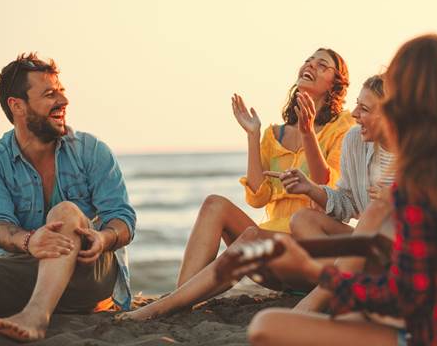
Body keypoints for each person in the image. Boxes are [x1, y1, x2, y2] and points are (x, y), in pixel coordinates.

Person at [246, 34, 437, 345]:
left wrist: (312, 270)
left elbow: (401, 298)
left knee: (266, 326)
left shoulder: (416, 185)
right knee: (352, 316)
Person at [118, 48, 354, 321]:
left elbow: (326, 185)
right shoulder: (274, 134)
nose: (311, 65)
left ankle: (165, 307)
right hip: (270, 254)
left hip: (307, 255)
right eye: (308, 60)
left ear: (335, 84)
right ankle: (179, 297)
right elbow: (257, 197)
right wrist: (253, 136)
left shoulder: (343, 127)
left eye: (322, 65)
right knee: (214, 204)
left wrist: (308, 131)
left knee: (251, 238)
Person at [0, 53, 136, 342]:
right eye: (50, 94)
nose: (63, 101)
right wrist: (29, 241)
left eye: (61, 91)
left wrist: (103, 238)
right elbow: (0, 224)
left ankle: (36, 315)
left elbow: (122, 219)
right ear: (17, 106)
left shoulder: (90, 150)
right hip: (25, 271)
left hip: (87, 273)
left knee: (65, 213)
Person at [280, 74, 396, 312]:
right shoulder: (355, 140)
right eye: (356, 104)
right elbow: (348, 202)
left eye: (363, 108)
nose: (354, 114)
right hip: (367, 246)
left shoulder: (422, 153)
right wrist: (311, 189)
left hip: (404, 253)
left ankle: (340, 289)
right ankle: (351, 284)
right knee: (303, 219)